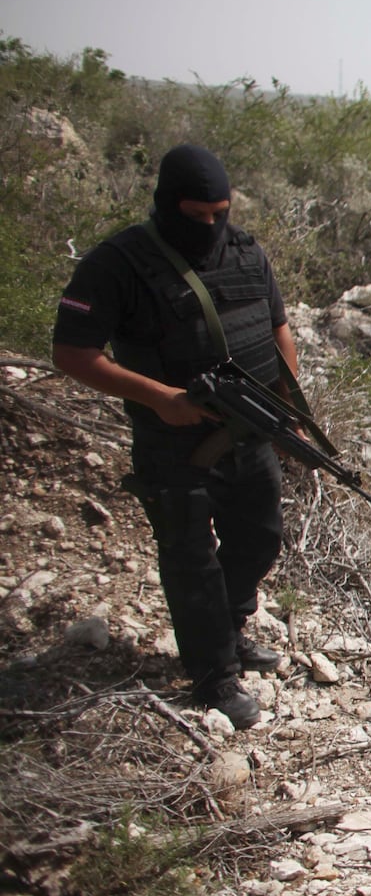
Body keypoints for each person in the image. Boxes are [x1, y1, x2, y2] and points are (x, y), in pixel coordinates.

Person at [52, 144, 295, 729]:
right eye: (196, 213)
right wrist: (162, 399)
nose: (211, 225)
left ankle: (228, 631)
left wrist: (286, 405)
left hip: (248, 431)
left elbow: (277, 325)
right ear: (166, 203)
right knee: (191, 561)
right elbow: (72, 353)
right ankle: (214, 676)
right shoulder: (119, 263)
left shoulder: (245, 251)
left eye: (221, 212)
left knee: (260, 539)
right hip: (172, 440)